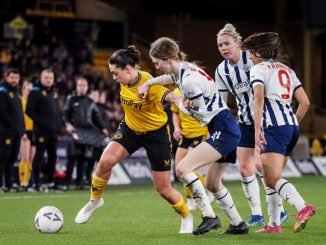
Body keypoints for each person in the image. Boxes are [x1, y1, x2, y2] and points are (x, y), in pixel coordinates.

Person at [75, 45, 194, 234]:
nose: (114, 78)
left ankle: (187, 216)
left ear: (128, 70)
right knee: (105, 160)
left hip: (156, 134)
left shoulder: (149, 83)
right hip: (130, 128)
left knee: (163, 189)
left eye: (115, 73)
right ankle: (95, 200)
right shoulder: (125, 78)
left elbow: (170, 96)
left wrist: (182, 102)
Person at [138, 37, 249, 235]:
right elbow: (169, 79)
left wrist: (181, 105)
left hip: (222, 128)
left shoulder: (188, 81)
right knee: (213, 183)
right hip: (225, 127)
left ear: (168, 58)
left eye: (157, 63)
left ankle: (209, 217)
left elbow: (201, 112)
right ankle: (238, 224)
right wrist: (149, 84)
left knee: (182, 169)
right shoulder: (184, 69)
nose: (156, 67)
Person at [241, 32, 315, 233]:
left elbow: (258, 97)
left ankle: (302, 207)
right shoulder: (287, 70)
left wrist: (257, 130)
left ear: (258, 51)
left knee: (272, 178)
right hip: (291, 128)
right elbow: (305, 102)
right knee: (271, 177)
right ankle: (274, 225)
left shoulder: (258, 69)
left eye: (250, 52)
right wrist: (292, 123)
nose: (249, 56)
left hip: (274, 128)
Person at [215, 23, 288, 227]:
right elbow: (221, 102)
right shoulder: (221, 71)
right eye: (220, 45)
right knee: (245, 168)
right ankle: (257, 214)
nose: (223, 48)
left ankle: (279, 211)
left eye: (227, 43)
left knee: (262, 166)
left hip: (268, 120)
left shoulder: (254, 57)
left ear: (238, 43)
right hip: (245, 122)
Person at [170, 87, 214, 210]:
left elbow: (208, 112)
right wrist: (177, 128)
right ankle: (205, 188)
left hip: (199, 133)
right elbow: (175, 112)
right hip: (185, 134)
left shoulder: (199, 89)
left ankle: (205, 192)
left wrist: (210, 131)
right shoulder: (176, 92)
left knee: (187, 168)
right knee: (180, 171)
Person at [63, 77, 108, 190]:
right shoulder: (71, 99)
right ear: (76, 86)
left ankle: (79, 183)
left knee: (83, 159)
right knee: (72, 157)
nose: (82, 87)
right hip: (75, 131)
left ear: (87, 87)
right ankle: (67, 183)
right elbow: (65, 115)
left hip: (88, 134)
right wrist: (67, 124)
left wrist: (103, 128)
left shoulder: (90, 101)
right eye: (80, 85)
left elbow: (96, 117)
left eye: (84, 85)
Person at [26, 69, 63, 192]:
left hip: (53, 131)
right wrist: (43, 123)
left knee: (53, 157)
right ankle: (35, 183)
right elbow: (29, 111)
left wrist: (58, 125)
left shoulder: (53, 93)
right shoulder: (35, 92)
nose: (48, 80)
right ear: (41, 78)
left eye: (50, 78)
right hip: (41, 131)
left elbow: (56, 112)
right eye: (46, 78)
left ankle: (50, 182)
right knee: (39, 156)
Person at [0, 68, 24, 192]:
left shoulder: (16, 92)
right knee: (2, 158)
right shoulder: (2, 91)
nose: (14, 80)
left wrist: (21, 128)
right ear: (6, 77)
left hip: (16, 132)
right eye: (12, 77)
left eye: (16, 78)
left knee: (12, 159)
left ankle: (8, 185)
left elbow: (19, 113)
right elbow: (2, 111)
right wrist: (11, 125)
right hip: (5, 132)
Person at [18, 80, 35, 191]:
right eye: (28, 89)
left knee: (31, 159)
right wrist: (22, 131)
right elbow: (19, 118)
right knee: (25, 158)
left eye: (31, 90)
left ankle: (28, 182)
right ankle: (22, 182)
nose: (29, 91)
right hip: (25, 131)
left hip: (34, 132)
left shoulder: (33, 103)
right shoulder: (20, 102)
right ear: (23, 89)